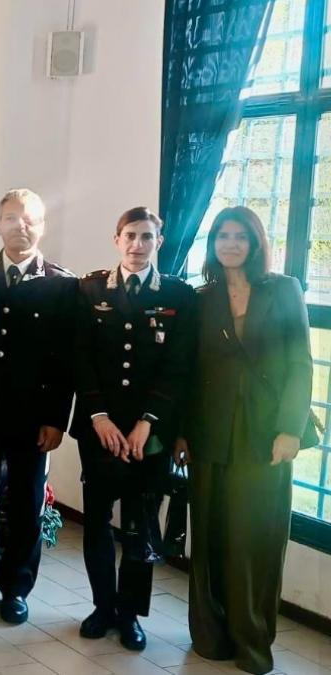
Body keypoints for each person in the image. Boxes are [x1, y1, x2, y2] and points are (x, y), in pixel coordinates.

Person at [175, 206, 314, 674]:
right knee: (211, 538)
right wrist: (180, 432)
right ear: (213, 244)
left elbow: (300, 363)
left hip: (266, 436)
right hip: (209, 435)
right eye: (222, 236)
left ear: (255, 243)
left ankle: (253, 642)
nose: (230, 243)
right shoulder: (202, 298)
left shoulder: (284, 289)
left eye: (240, 236)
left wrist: (290, 429)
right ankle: (210, 637)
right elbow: (188, 371)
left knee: (255, 540)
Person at [70, 206, 197, 652]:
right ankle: (102, 606)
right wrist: (99, 417)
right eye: (130, 235)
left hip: (151, 432)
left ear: (159, 242)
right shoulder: (89, 289)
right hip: (99, 429)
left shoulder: (180, 295)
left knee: (140, 525)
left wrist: (148, 424)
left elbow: (178, 368)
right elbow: (79, 358)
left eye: (147, 237)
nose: (137, 244)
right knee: (98, 524)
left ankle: (129, 616)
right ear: (116, 239)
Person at [0, 189, 77, 625]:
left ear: (42, 225)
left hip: (32, 416)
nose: (20, 226)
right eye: (11, 218)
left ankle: (16, 587)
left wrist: (55, 418)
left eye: (29, 219)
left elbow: (66, 358)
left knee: (27, 503)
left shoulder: (63, 284)